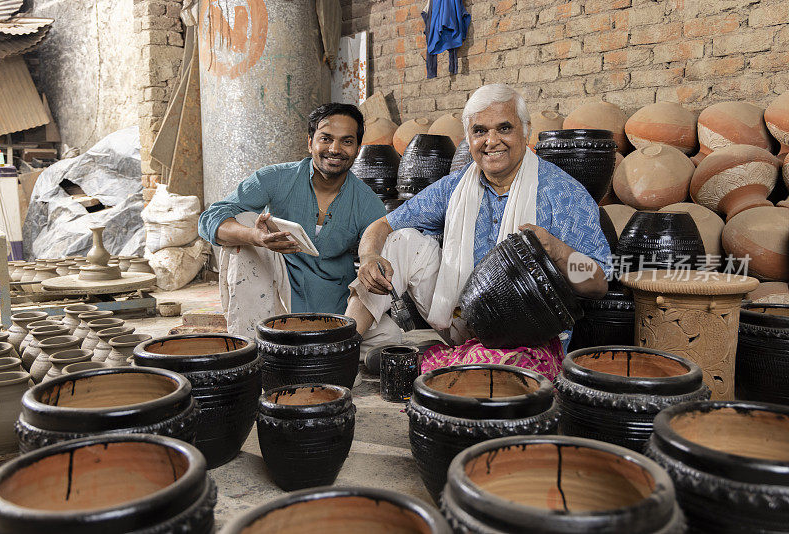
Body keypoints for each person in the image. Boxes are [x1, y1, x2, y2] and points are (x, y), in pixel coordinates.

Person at [346, 84, 611, 379]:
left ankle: (430, 358)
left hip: (525, 333)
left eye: (504, 128)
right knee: (399, 240)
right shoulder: (455, 186)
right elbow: (382, 225)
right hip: (460, 315)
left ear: (526, 131)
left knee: (507, 375)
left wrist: (555, 250)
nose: (491, 141)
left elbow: (598, 283)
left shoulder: (563, 194)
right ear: (469, 139)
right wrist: (369, 255)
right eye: (480, 131)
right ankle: (341, 347)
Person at [198, 103, 386, 337]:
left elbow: (384, 256)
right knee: (244, 221)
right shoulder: (276, 178)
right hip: (277, 301)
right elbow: (209, 219)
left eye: (347, 141)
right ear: (310, 142)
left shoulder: (367, 202)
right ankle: (252, 345)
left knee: (390, 338)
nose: (335, 149)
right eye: (326, 139)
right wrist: (255, 237)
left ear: (357, 149)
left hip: (336, 310)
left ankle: (327, 346)